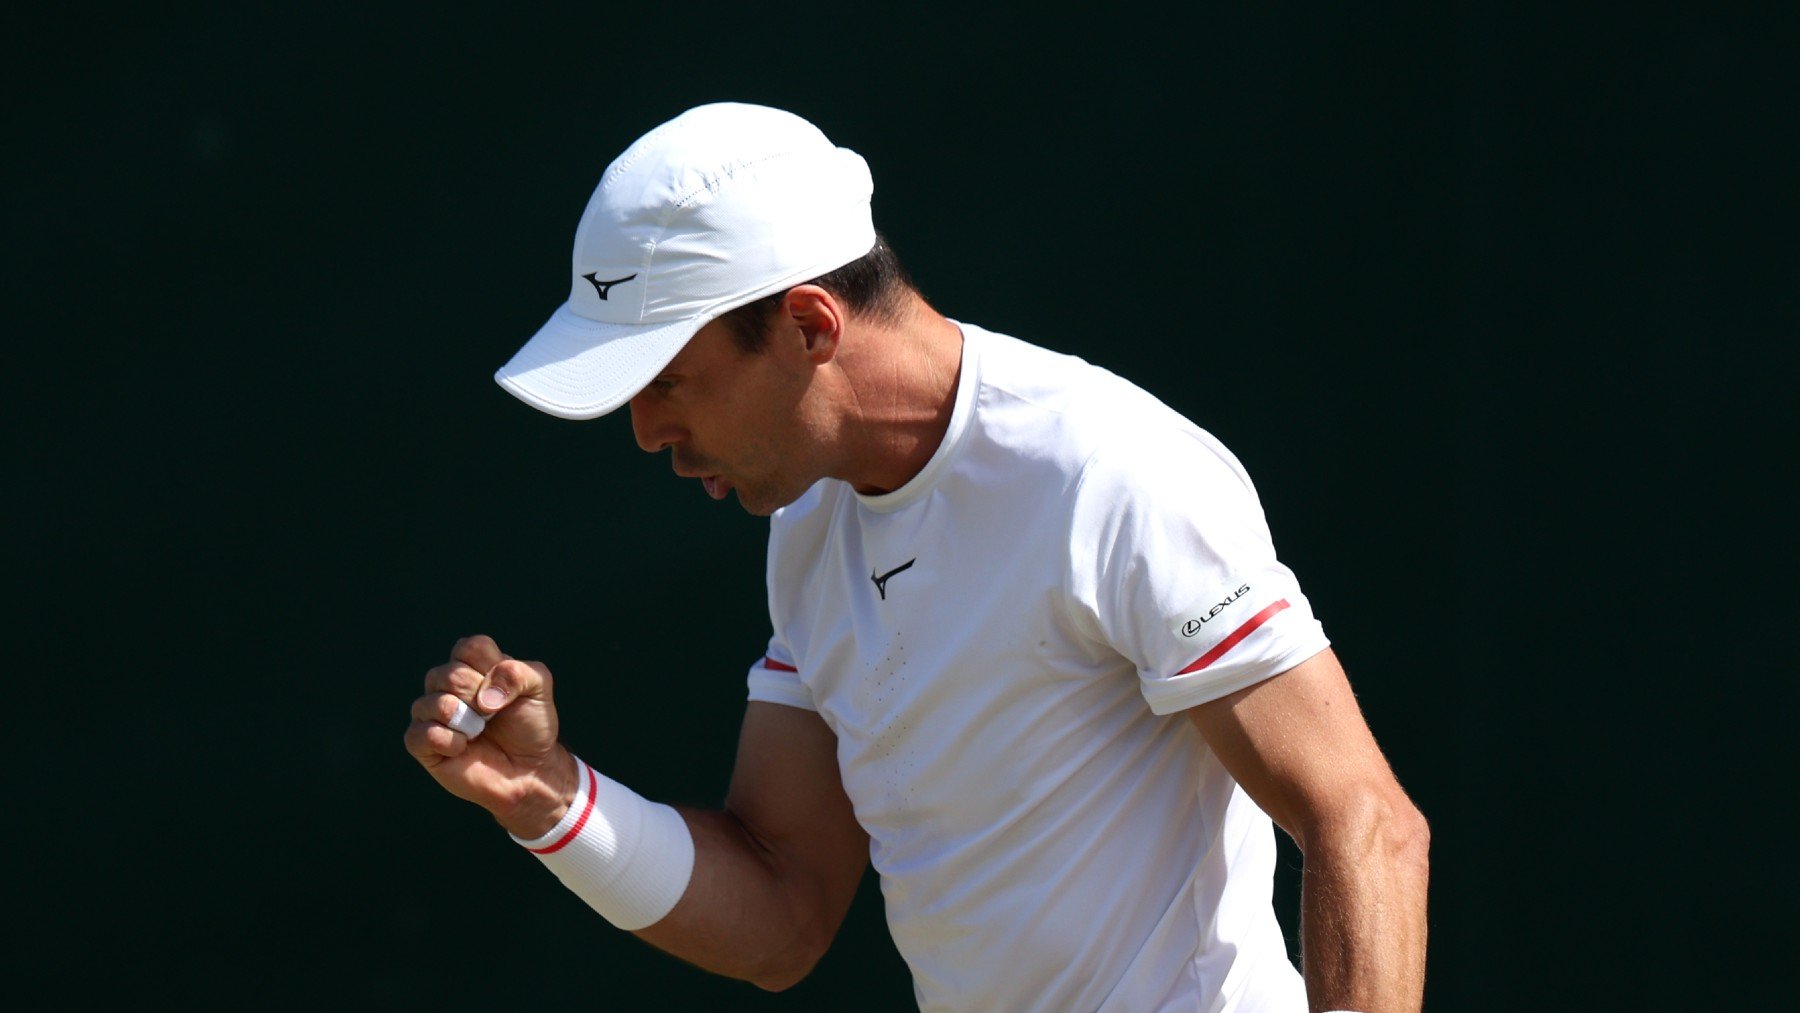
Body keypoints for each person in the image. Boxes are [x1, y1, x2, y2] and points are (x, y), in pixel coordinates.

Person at [404, 102, 1429, 1012]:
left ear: (809, 324)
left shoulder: (1112, 473)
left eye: (668, 378)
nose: (643, 429)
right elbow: (782, 913)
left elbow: (1364, 818)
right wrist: (546, 792)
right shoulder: (808, 531)